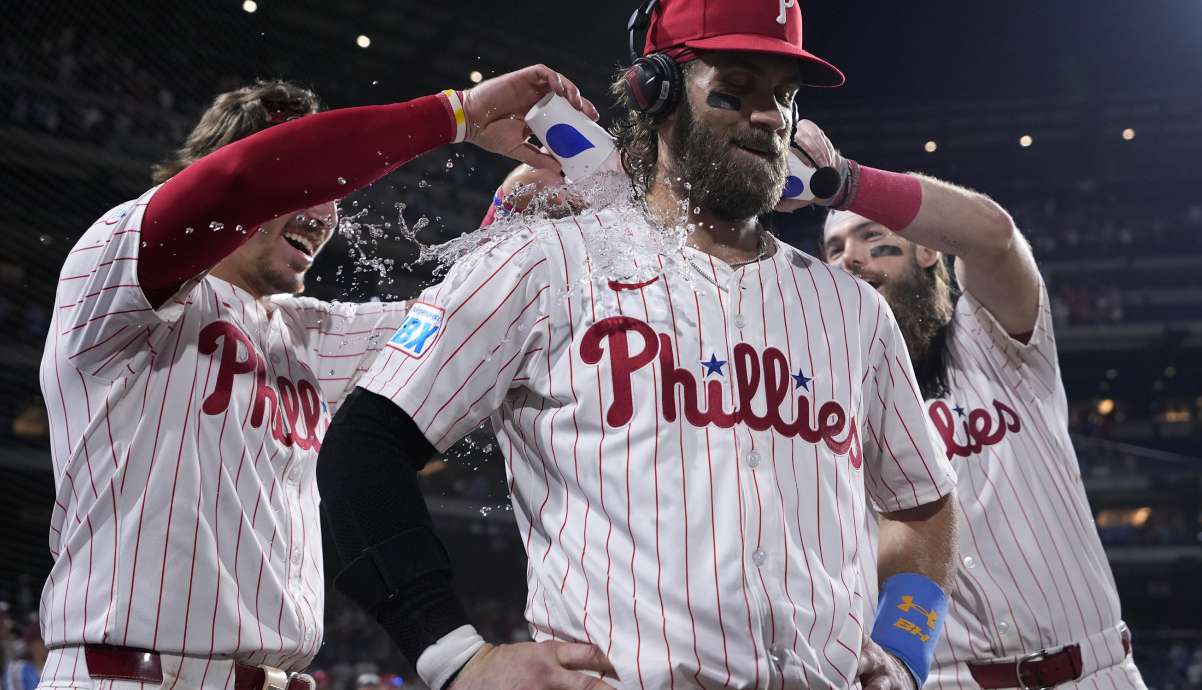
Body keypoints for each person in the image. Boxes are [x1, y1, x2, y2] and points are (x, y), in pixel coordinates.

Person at [317, 1, 961, 688]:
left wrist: (904, 650)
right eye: (736, 90)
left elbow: (923, 502)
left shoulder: (851, 307)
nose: (772, 117)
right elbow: (362, 450)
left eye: (785, 98)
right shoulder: (545, 265)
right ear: (656, 92)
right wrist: (456, 658)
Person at [37, 64, 596, 690]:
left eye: (335, 194)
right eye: (312, 185)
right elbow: (244, 179)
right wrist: (457, 113)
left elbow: (459, 324)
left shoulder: (305, 333)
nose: (326, 212)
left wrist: (509, 214)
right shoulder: (114, 274)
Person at [807, 121, 1148, 686]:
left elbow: (992, 234)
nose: (850, 257)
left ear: (924, 251)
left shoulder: (988, 336)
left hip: (1092, 670)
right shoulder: (828, 397)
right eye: (835, 248)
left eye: (872, 236)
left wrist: (845, 182)